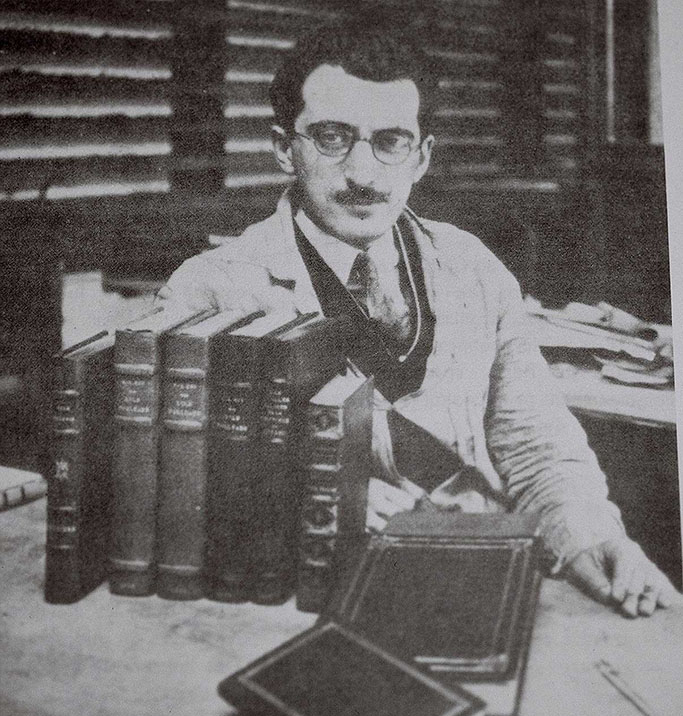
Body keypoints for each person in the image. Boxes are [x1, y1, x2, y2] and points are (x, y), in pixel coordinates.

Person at [156, 23, 678, 617]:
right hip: (314, 592)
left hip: (488, 572)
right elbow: (178, 492)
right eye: (332, 138)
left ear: (422, 155)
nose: (364, 173)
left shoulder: (473, 268)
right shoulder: (209, 291)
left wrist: (598, 539)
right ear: (283, 147)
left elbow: (538, 447)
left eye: (391, 141)